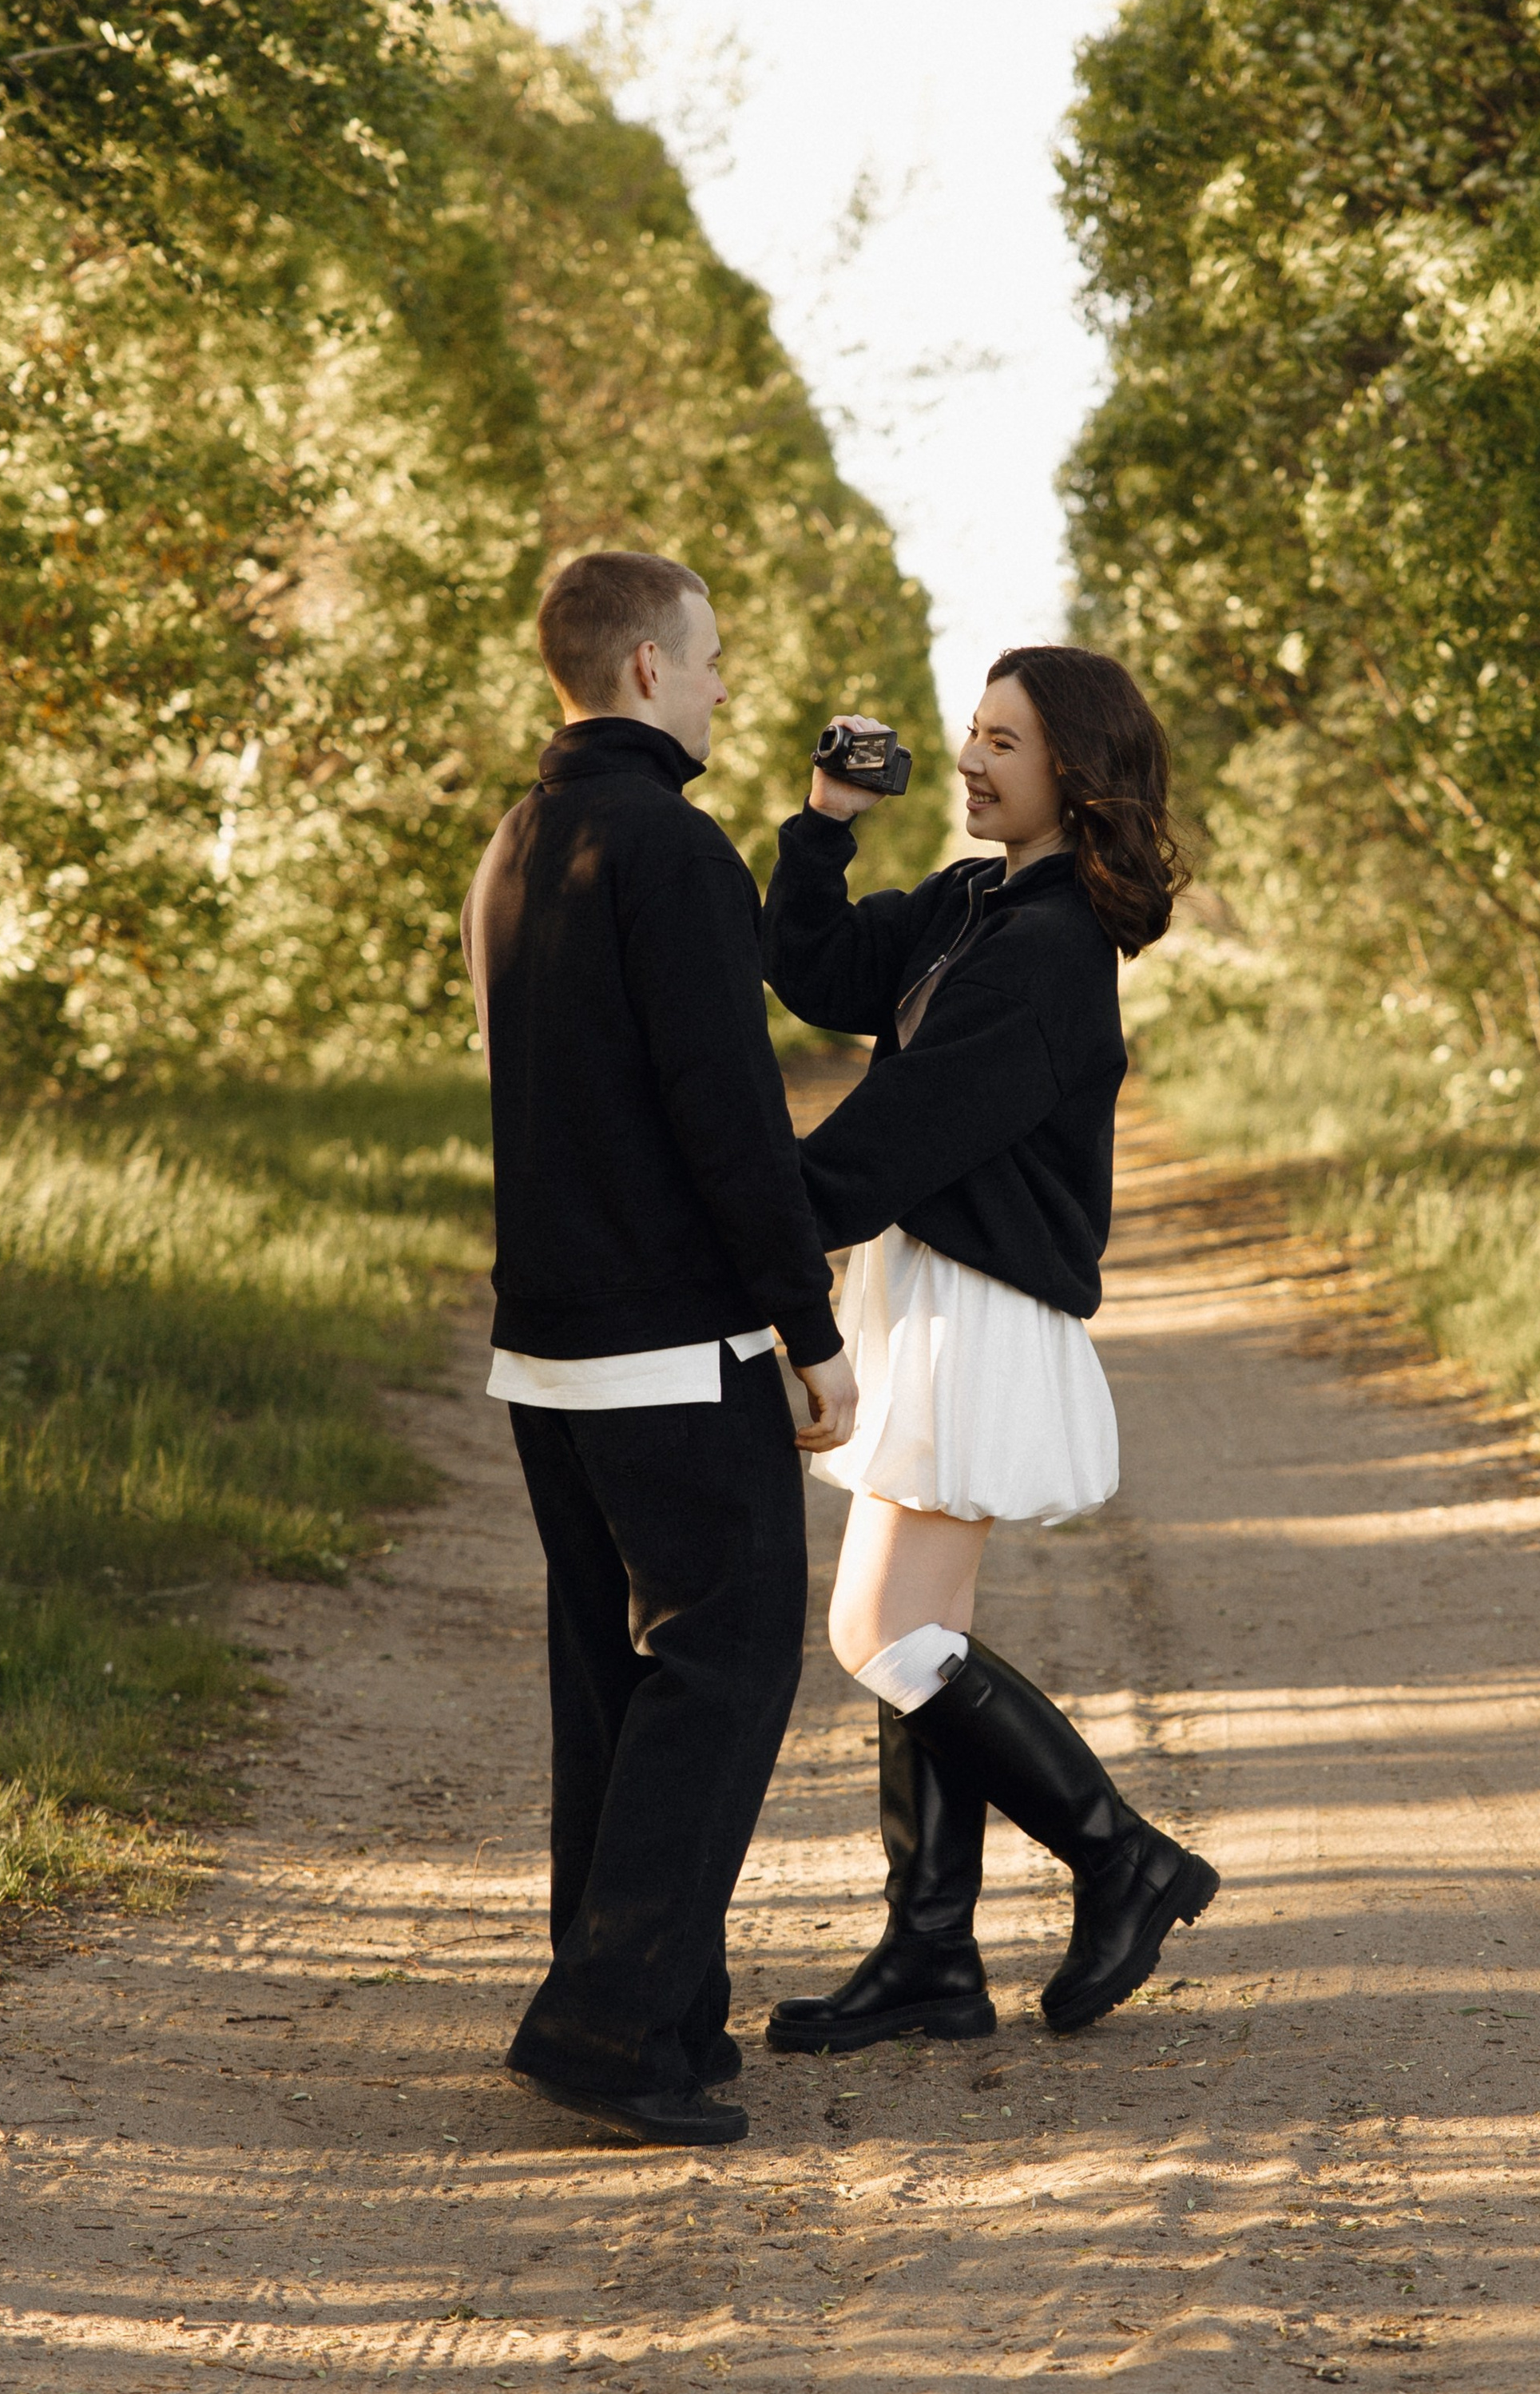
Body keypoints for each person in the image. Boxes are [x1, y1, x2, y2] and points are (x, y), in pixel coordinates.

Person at [758, 642, 1219, 2054]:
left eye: (1001, 744)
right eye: (970, 733)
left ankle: (1121, 1855)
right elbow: (825, 976)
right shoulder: (975, 900)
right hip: (931, 1287)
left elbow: (903, 1133)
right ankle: (930, 1955)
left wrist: (754, 1238)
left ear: (1072, 777)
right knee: (920, 1635)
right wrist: (825, 826)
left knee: (880, 1634)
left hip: (981, 1306)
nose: (968, 760)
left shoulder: (1054, 950)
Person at [463, 549, 858, 2148]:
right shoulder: (674, 850)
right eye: (706, 662)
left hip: (545, 1350)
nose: (719, 686)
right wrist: (807, 1324)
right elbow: (728, 1115)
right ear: (641, 668)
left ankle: (658, 2011)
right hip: (664, 1347)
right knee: (727, 1654)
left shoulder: (515, 842)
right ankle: (610, 2024)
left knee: (613, 1686)